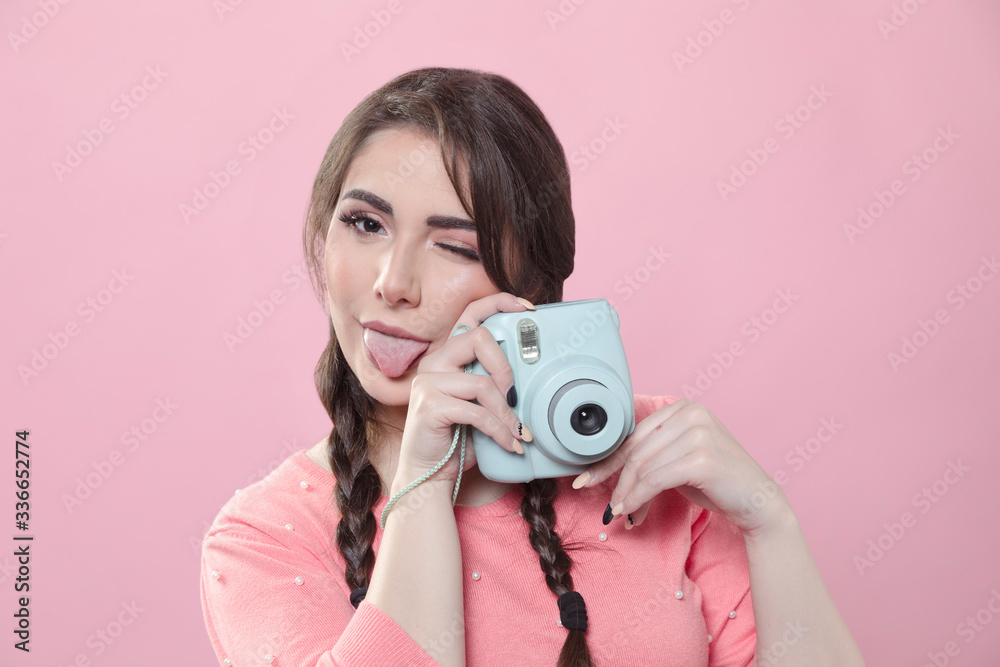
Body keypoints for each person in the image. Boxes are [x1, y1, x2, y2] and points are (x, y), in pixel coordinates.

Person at [199, 67, 864, 666]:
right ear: (324, 234)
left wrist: (770, 522)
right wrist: (425, 482)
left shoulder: (652, 464)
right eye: (366, 224)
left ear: (531, 285)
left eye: (454, 247)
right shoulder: (262, 538)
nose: (393, 282)